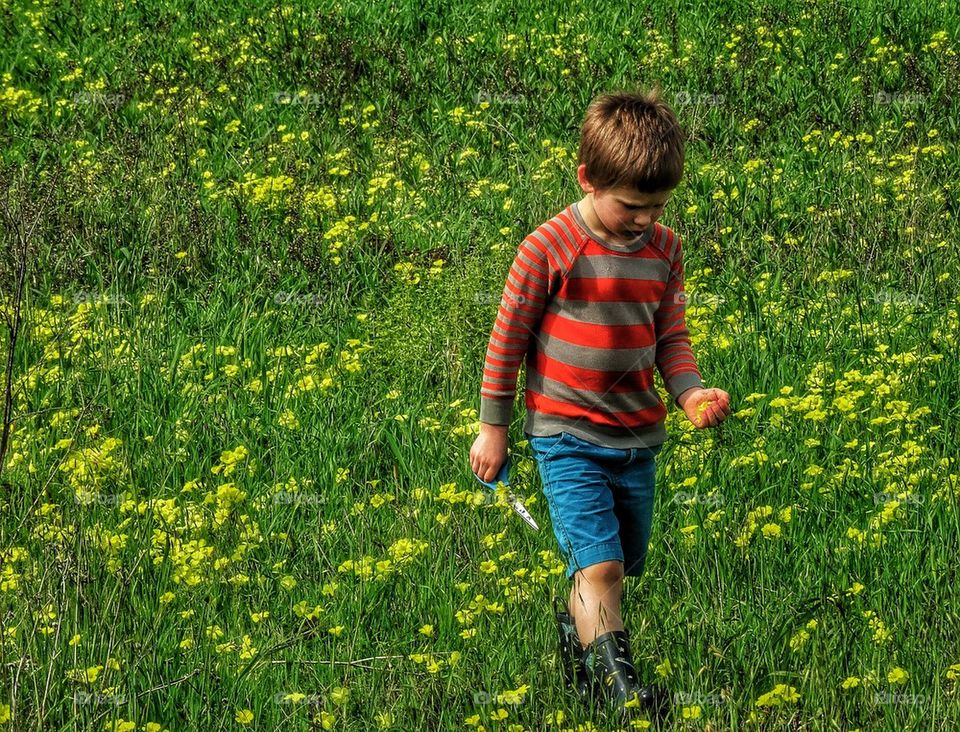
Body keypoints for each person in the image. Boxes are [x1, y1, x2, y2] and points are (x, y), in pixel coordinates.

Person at [469, 87, 732, 721]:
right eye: (631, 206)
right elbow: (506, 344)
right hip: (565, 434)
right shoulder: (547, 248)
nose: (644, 220)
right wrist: (493, 429)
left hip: (638, 436)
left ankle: (578, 654)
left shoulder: (665, 252)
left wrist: (691, 392)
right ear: (588, 178)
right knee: (604, 565)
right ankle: (624, 692)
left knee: (617, 563)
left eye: (657, 207)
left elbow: (670, 337)